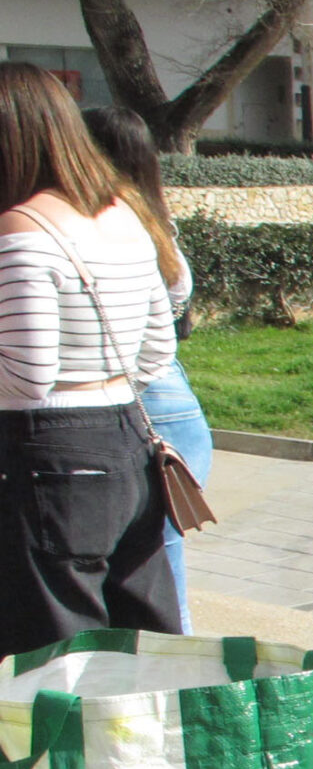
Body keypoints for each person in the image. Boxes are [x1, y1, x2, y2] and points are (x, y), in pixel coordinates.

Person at [0, 63, 180, 659]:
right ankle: (152, 749)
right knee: (142, 639)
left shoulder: (20, 227)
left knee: (56, 653)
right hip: (128, 439)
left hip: (52, 453)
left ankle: (65, 757)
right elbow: (158, 345)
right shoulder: (121, 214)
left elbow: (27, 378)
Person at [83, 105, 210, 635]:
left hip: (133, 403)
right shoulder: (154, 221)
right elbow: (175, 306)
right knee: (160, 568)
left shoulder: (98, 222)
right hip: (173, 400)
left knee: (133, 575)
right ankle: (171, 680)